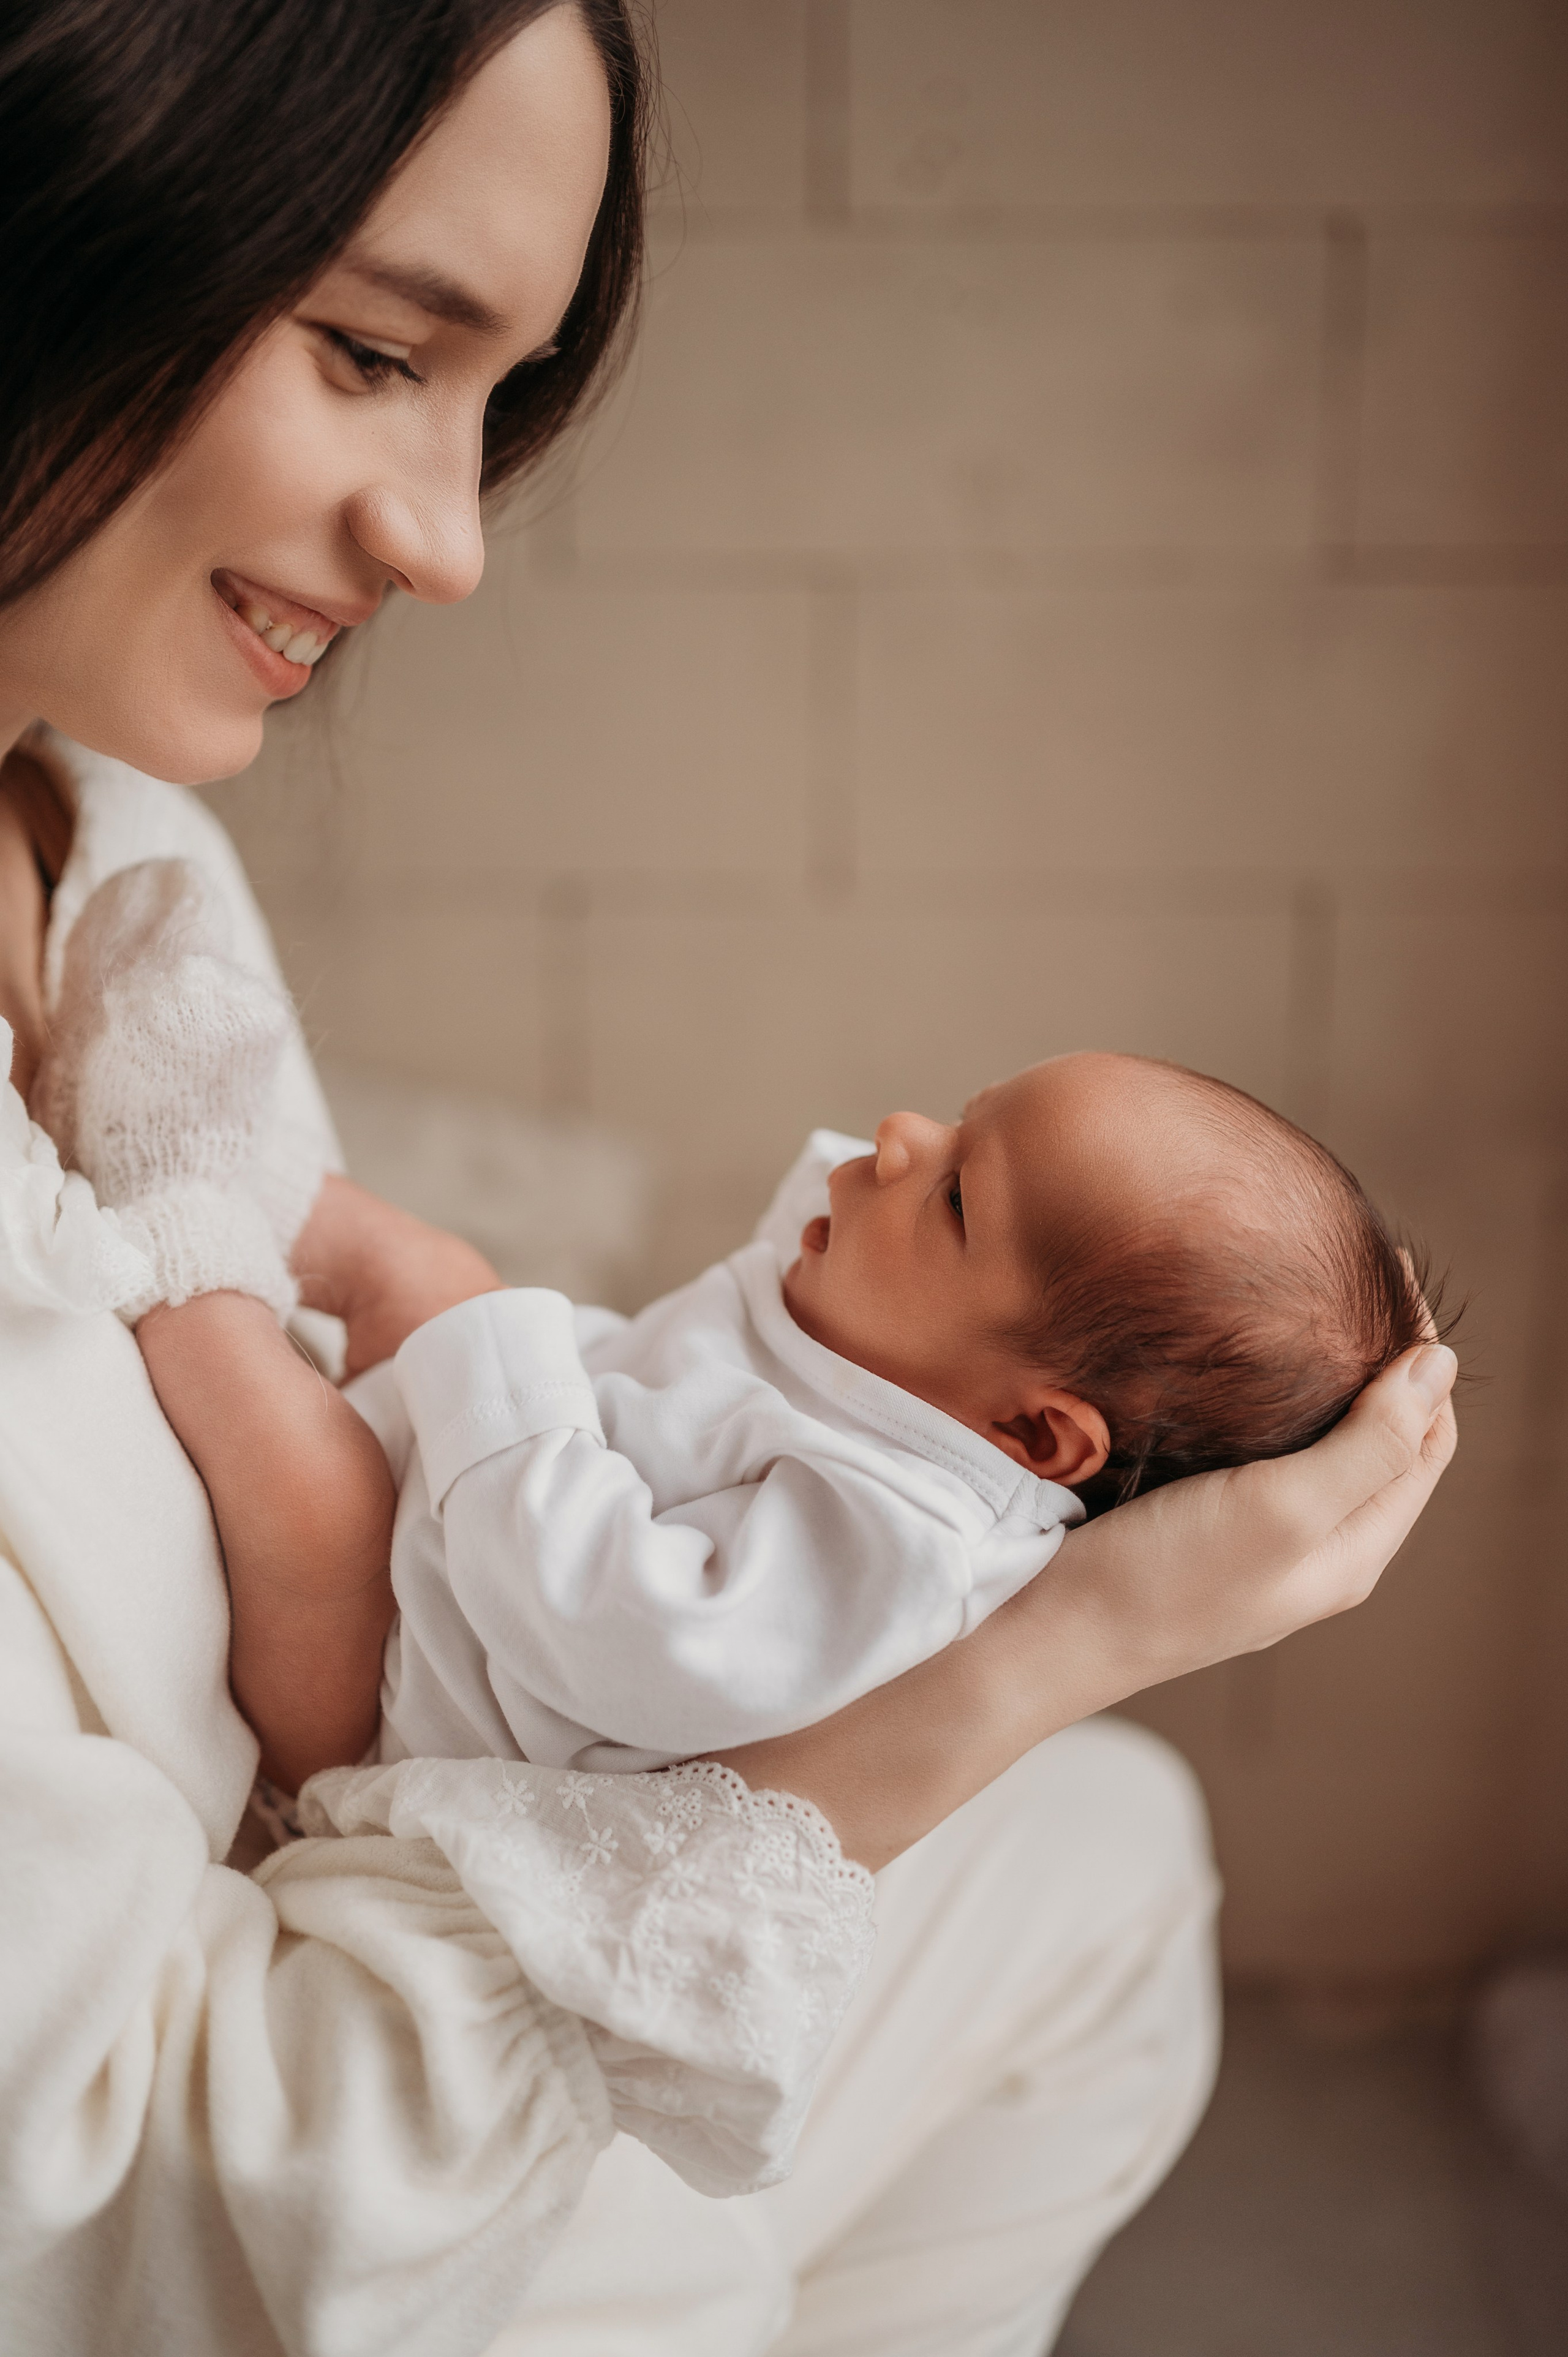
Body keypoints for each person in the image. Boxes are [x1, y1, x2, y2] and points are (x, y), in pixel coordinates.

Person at [0, 4, 1458, 2352]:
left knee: (1107, 1853)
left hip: (403, 1785)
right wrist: (1062, 1642)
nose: (449, 542)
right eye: (371, 349)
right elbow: (145, 2221)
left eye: (493, 397)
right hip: (285, 2098)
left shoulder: (125, 850)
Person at [43, 880, 1437, 1800]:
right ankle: (224, 1150)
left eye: (958, 1192)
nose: (899, 1133)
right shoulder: (920, 1368)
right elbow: (782, 1318)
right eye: (961, 1113)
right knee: (431, 1272)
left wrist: (485, 1354)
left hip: (390, 1692)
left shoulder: (902, 1537)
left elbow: (623, 1632)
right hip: (462, 1529)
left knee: (320, 1489)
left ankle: (169, 1219)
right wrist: (477, 1342)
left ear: (1031, 1431)